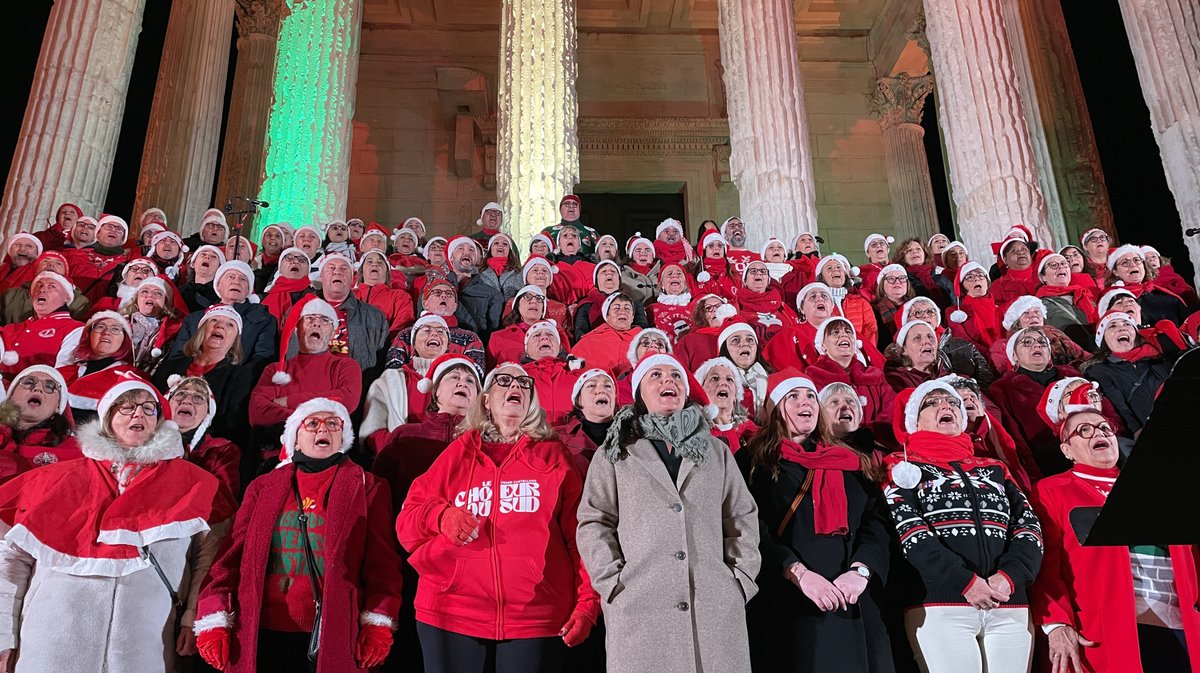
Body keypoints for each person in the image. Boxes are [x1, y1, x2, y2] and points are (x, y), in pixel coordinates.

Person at [0, 378, 233, 672]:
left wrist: (192, 617)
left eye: (148, 408)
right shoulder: (52, 479)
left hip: (143, 651)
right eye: (126, 406)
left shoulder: (197, 484)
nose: (138, 413)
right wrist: (4, 637)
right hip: (50, 646)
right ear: (107, 417)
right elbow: (11, 561)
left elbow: (210, 558)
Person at [396, 362, 600, 671]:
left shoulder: (555, 456)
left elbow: (580, 536)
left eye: (524, 383)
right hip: (452, 611)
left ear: (531, 402)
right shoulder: (457, 454)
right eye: (503, 380)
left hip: (535, 615)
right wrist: (441, 516)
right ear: (486, 400)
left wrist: (588, 601)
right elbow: (407, 523)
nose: (515, 386)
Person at [576, 353, 761, 673]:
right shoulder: (615, 452)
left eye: (676, 376)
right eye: (656, 375)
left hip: (714, 608)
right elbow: (594, 521)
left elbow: (741, 516)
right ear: (639, 394)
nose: (668, 380)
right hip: (639, 607)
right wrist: (612, 583)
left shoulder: (716, 451)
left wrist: (739, 580)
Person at [195, 398, 404, 673]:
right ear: (295, 439)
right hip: (261, 632)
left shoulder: (369, 487)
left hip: (331, 633)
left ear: (343, 437)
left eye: (333, 424)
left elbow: (382, 564)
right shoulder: (262, 487)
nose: (323, 429)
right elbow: (230, 555)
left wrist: (378, 620)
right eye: (312, 423)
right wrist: (214, 615)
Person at [883, 380, 1043, 673]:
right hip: (941, 605)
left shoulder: (995, 468)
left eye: (952, 402)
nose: (946, 405)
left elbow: (1028, 525)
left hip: (1008, 602)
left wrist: (1010, 577)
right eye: (932, 402)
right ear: (914, 420)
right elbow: (907, 529)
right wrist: (963, 581)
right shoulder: (900, 466)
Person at [743, 371, 894, 673]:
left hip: (853, 597)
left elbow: (876, 522)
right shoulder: (753, 461)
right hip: (788, 601)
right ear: (775, 409)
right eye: (794, 396)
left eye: (811, 395)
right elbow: (751, 527)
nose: (806, 402)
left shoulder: (850, 460)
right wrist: (797, 573)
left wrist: (861, 571)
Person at [1031, 409, 1200, 673]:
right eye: (1084, 430)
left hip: (1182, 629)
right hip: (1107, 634)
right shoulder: (1052, 491)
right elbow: (1044, 566)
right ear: (1067, 450)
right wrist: (1056, 621)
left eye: (1104, 428)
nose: (1098, 433)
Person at [369, 353, 481, 508]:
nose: (463, 383)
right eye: (454, 377)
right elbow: (379, 494)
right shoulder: (404, 436)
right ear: (435, 391)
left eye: (470, 381)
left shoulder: (485, 441)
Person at [154, 304, 255, 446]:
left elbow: (233, 426)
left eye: (230, 324)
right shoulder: (172, 364)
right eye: (214, 320)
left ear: (235, 341)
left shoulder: (240, 376)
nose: (220, 326)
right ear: (201, 330)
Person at [1082, 311, 1180, 435]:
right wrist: (1136, 431)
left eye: (1127, 324)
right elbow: (1118, 407)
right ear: (1103, 339)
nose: (1122, 328)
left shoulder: (1159, 360)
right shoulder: (1099, 371)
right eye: (1112, 326)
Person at [170, 260, 278, 368]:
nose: (236, 282)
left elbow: (262, 358)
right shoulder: (194, 319)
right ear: (218, 285)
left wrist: (237, 376)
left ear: (248, 290)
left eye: (243, 279)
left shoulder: (263, 320)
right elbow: (177, 357)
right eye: (230, 277)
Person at [805, 317, 897, 423]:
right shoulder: (814, 378)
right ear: (823, 346)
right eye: (835, 332)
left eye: (848, 332)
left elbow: (891, 411)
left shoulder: (875, 375)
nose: (844, 335)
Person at [312, 253, 390, 375]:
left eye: (344, 268)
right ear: (321, 276)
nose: (337, 272)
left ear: (352, 278)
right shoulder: (300, 312)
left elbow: (382, 363)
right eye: (331, 268)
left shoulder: (374, 316)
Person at [166, 376, 240, 498]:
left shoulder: (222, 450)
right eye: (180, 394)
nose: (187, 401)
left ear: (208, 413)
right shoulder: (144, 439)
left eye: (198, 398)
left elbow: (224, 501)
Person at [0, 271, 85, 377]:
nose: (42, 289)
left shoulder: (75, 329)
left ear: (67, 297)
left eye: (52, 286)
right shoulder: (11, 328)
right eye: (39, 285)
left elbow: (63, 374)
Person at [0, 365, 79, 470]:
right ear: (10, 396)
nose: (38, 388)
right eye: (29, 382)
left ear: (57, 407)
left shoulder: (77, 453)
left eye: (50, 386)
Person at [552, 368, 616, 473]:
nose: (601, 390)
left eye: (608, 386)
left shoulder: (635, 436)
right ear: (578, 400)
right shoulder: (556, 439)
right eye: (591, 385)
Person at [0, 251, 90, 324]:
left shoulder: (79, 302)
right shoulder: (10, 295)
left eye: (58, 263)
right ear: (35, 269)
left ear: (65, 273)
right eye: (45, 261)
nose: (51, 265)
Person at [119, 276, 186, 374]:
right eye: (144, 291)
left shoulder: (175, 331)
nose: (150, 296)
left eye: (157, 293)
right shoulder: (120, 322)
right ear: (136, 298)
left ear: (165, 302)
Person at [570, 293, 643, 377]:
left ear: (632, 317)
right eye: (616, 308)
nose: (622, 312)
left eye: (627, 308)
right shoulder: (588, 342)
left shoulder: (645, 340)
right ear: (607, 316)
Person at [695, 356, 757, 454]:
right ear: (701, 389)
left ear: (736, 394)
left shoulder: (751, 431)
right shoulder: (693, 431)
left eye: (729, 379)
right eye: (715, 378)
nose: (723, 383)